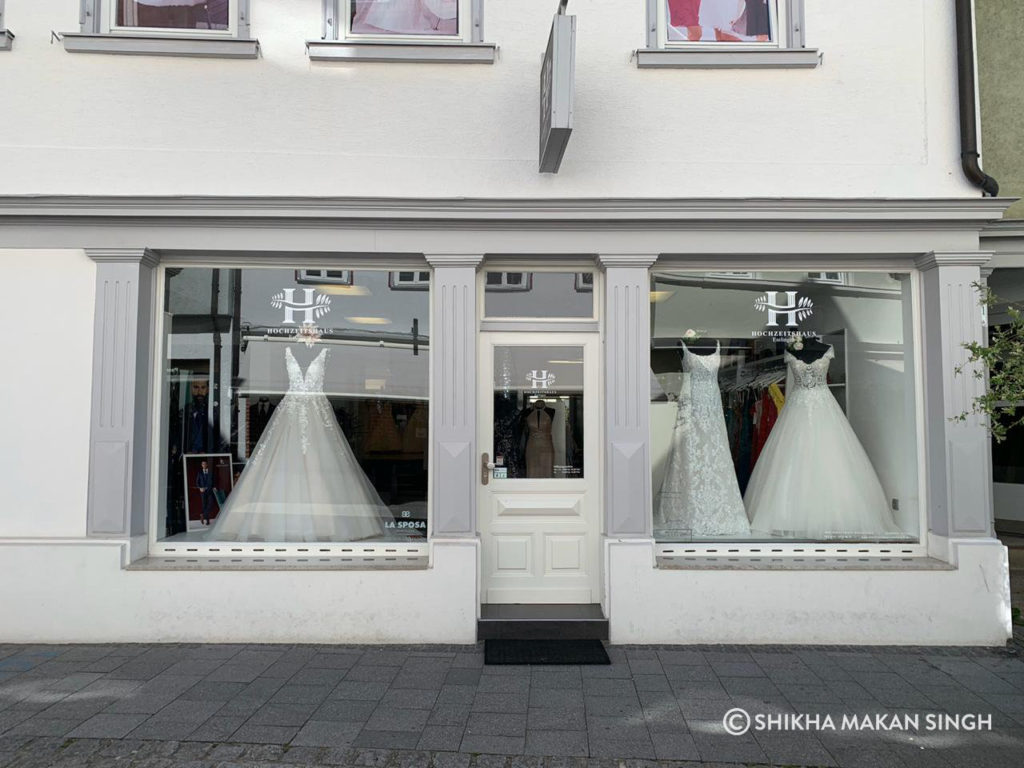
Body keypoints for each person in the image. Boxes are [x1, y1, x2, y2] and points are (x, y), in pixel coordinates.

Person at [195, 460, 217, 526]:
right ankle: (207, 521)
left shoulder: (210, 472)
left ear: (207, 465)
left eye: (205, 464)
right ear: (201, 465)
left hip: (209, 490)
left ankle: (203, 515)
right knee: (204, 505)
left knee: (211, 503)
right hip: (203, 491)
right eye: (203, 464)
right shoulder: (199, 473)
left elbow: (213, 480)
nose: (204, 465)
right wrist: (200, 488)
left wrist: (214, 487)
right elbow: (197, 482)